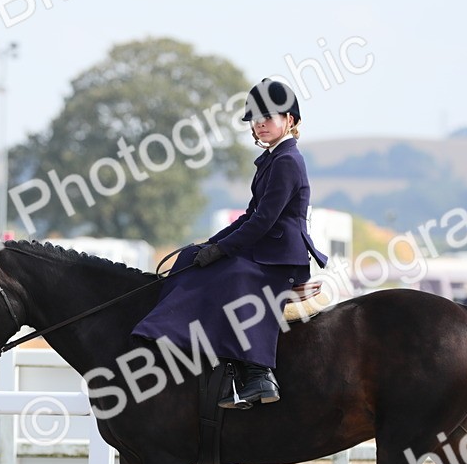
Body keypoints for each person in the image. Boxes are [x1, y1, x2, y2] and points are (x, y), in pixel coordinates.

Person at [132, 79, 327, 409]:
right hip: (266, 252)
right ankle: (171, 338)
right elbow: (249, 215)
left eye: (268, 117)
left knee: (232, 275)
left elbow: (263, 221)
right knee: (190, 259)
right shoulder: (271, 159)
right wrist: (210, 244)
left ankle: (259, 374)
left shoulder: (287, 161)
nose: (260, 124)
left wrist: (223, 250)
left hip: (282, 259)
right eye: (256, 119)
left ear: (290, 120)